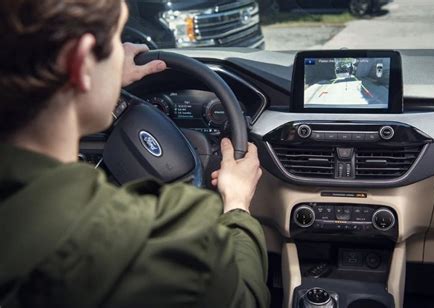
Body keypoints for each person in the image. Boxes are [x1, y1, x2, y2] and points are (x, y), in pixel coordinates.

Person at [0, 0, 270, 307]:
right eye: (116, 40)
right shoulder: (161, 239)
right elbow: (246, 300)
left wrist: (90, 83)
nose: (125, 50)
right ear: (81, 61)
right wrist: (237, 204)